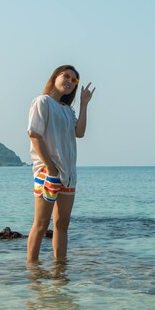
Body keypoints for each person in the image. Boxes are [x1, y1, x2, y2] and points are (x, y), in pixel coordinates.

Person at [26, 65, 95, 263]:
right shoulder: (42, 102)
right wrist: (50, 167)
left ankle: (60, 269)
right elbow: (34, 134)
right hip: (47, 173)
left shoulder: (66, 110)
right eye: (66, 76)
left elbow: (79, 132)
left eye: (74, 80)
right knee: (41, 224)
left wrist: (84, 104)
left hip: (68, 175)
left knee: (62, 224)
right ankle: (32, 271)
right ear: (55, 76)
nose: (70, 81)